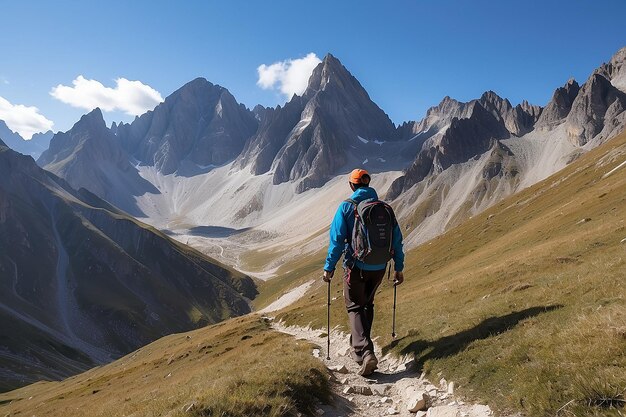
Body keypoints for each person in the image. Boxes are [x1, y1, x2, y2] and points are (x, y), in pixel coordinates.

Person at [323, 168, 404, 376]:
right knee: (367, 304)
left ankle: (366, 352)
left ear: (352, 185)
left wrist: (329, 268)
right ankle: (360, 350)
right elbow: (397, 240)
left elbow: (337, 241)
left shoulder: (346, 207)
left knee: (354, 306)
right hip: (379, 267)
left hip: (356, 266)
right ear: (368, 185)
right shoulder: (384, 208)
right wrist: (399, 268)